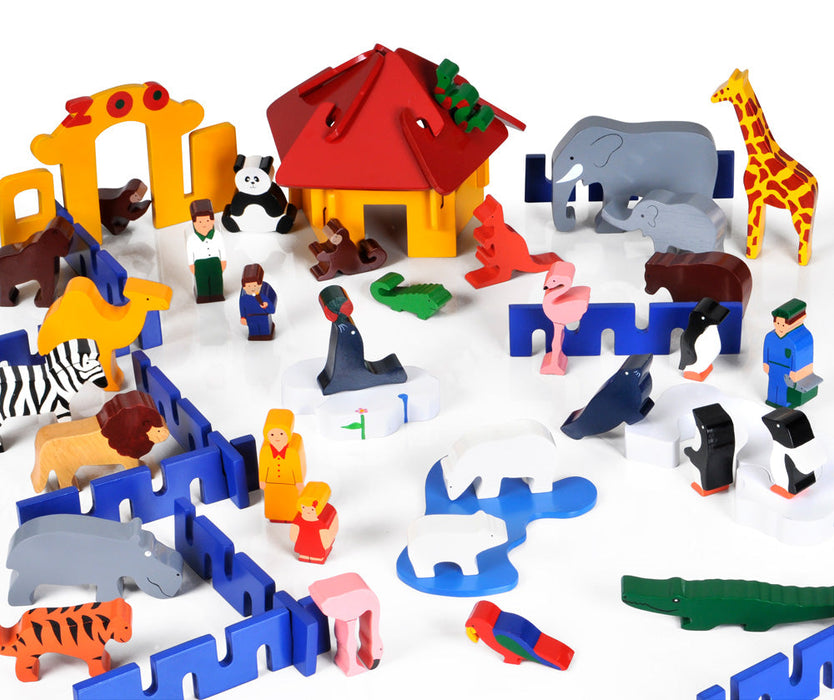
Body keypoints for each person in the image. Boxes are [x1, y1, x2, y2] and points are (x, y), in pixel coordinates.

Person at [762, 298, 817, 408]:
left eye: (783, 325)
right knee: (773, 383)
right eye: (777, 323)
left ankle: (783, 404)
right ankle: (772, 400)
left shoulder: (798, 340)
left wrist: (795, 371)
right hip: (773, 366)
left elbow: (800, 358)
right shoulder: (770, 337)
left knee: (784, 387)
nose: (780, 327)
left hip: (787, 369)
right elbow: (766, 351)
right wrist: (765, 363)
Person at [258, 409, 306, 522]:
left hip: (291, 483)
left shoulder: (293, 451)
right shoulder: (265, 451)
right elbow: (264, 467)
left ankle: (291, 517)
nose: (277, 437)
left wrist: (299, 481)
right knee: (273, 502)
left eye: (281, 434)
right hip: (271, 483)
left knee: (290, 502)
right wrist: (262, 480)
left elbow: (297, 467)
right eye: (272, 434)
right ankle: (275, 517)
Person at [186, 199, 226, 303]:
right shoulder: (191, 238)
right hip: (199, 263)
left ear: (212, 221)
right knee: (201, 281)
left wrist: (223, 261)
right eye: (200, 222)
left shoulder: (217, 235)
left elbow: (221, 249)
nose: (204, 224)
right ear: (194, 223)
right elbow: (190, 253)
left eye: (207, 221)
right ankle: (203, 296)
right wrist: (191, 265)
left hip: (215, 261)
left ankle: (217, 295)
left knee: (216, 280)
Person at [290, 481, 339, 563]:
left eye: (312, 509)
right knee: (304, 551)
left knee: (317, 553)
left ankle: (316, 557)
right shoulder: (298, 520)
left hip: (318, 547)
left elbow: (326, 539)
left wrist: (327, 543)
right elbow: (293, 535)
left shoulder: (321, 524)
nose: (308, 511)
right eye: (304, 507)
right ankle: (305, 555)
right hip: (304, 545)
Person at [239, 263, 277, 340]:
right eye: (249, 286)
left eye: (255, 286)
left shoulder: (264, 295)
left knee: (265, 330)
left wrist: (267, 306)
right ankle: (254, 335)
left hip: (264, 317)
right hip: (250, 318)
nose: (252, 288)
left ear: (260, 285)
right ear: (244, 287)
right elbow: (242, 308)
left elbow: (272, 310)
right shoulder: (243, 298)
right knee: (254, 331)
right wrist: (243, 317)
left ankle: (266, 335)